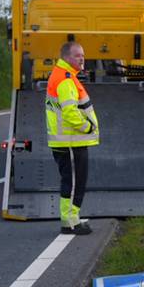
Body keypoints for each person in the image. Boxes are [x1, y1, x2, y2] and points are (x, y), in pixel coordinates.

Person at [46, 41, 99, 235]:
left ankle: (72, 218)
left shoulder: (64, 76)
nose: (82, 58)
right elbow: (70, 112)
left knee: (73, 180)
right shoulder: (66, 79)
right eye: (78, 55)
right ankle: (70, 223)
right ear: (67, 58)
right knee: (73, 182)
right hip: (70, 140)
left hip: (68, 140)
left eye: (83, 55)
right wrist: (87, 128)